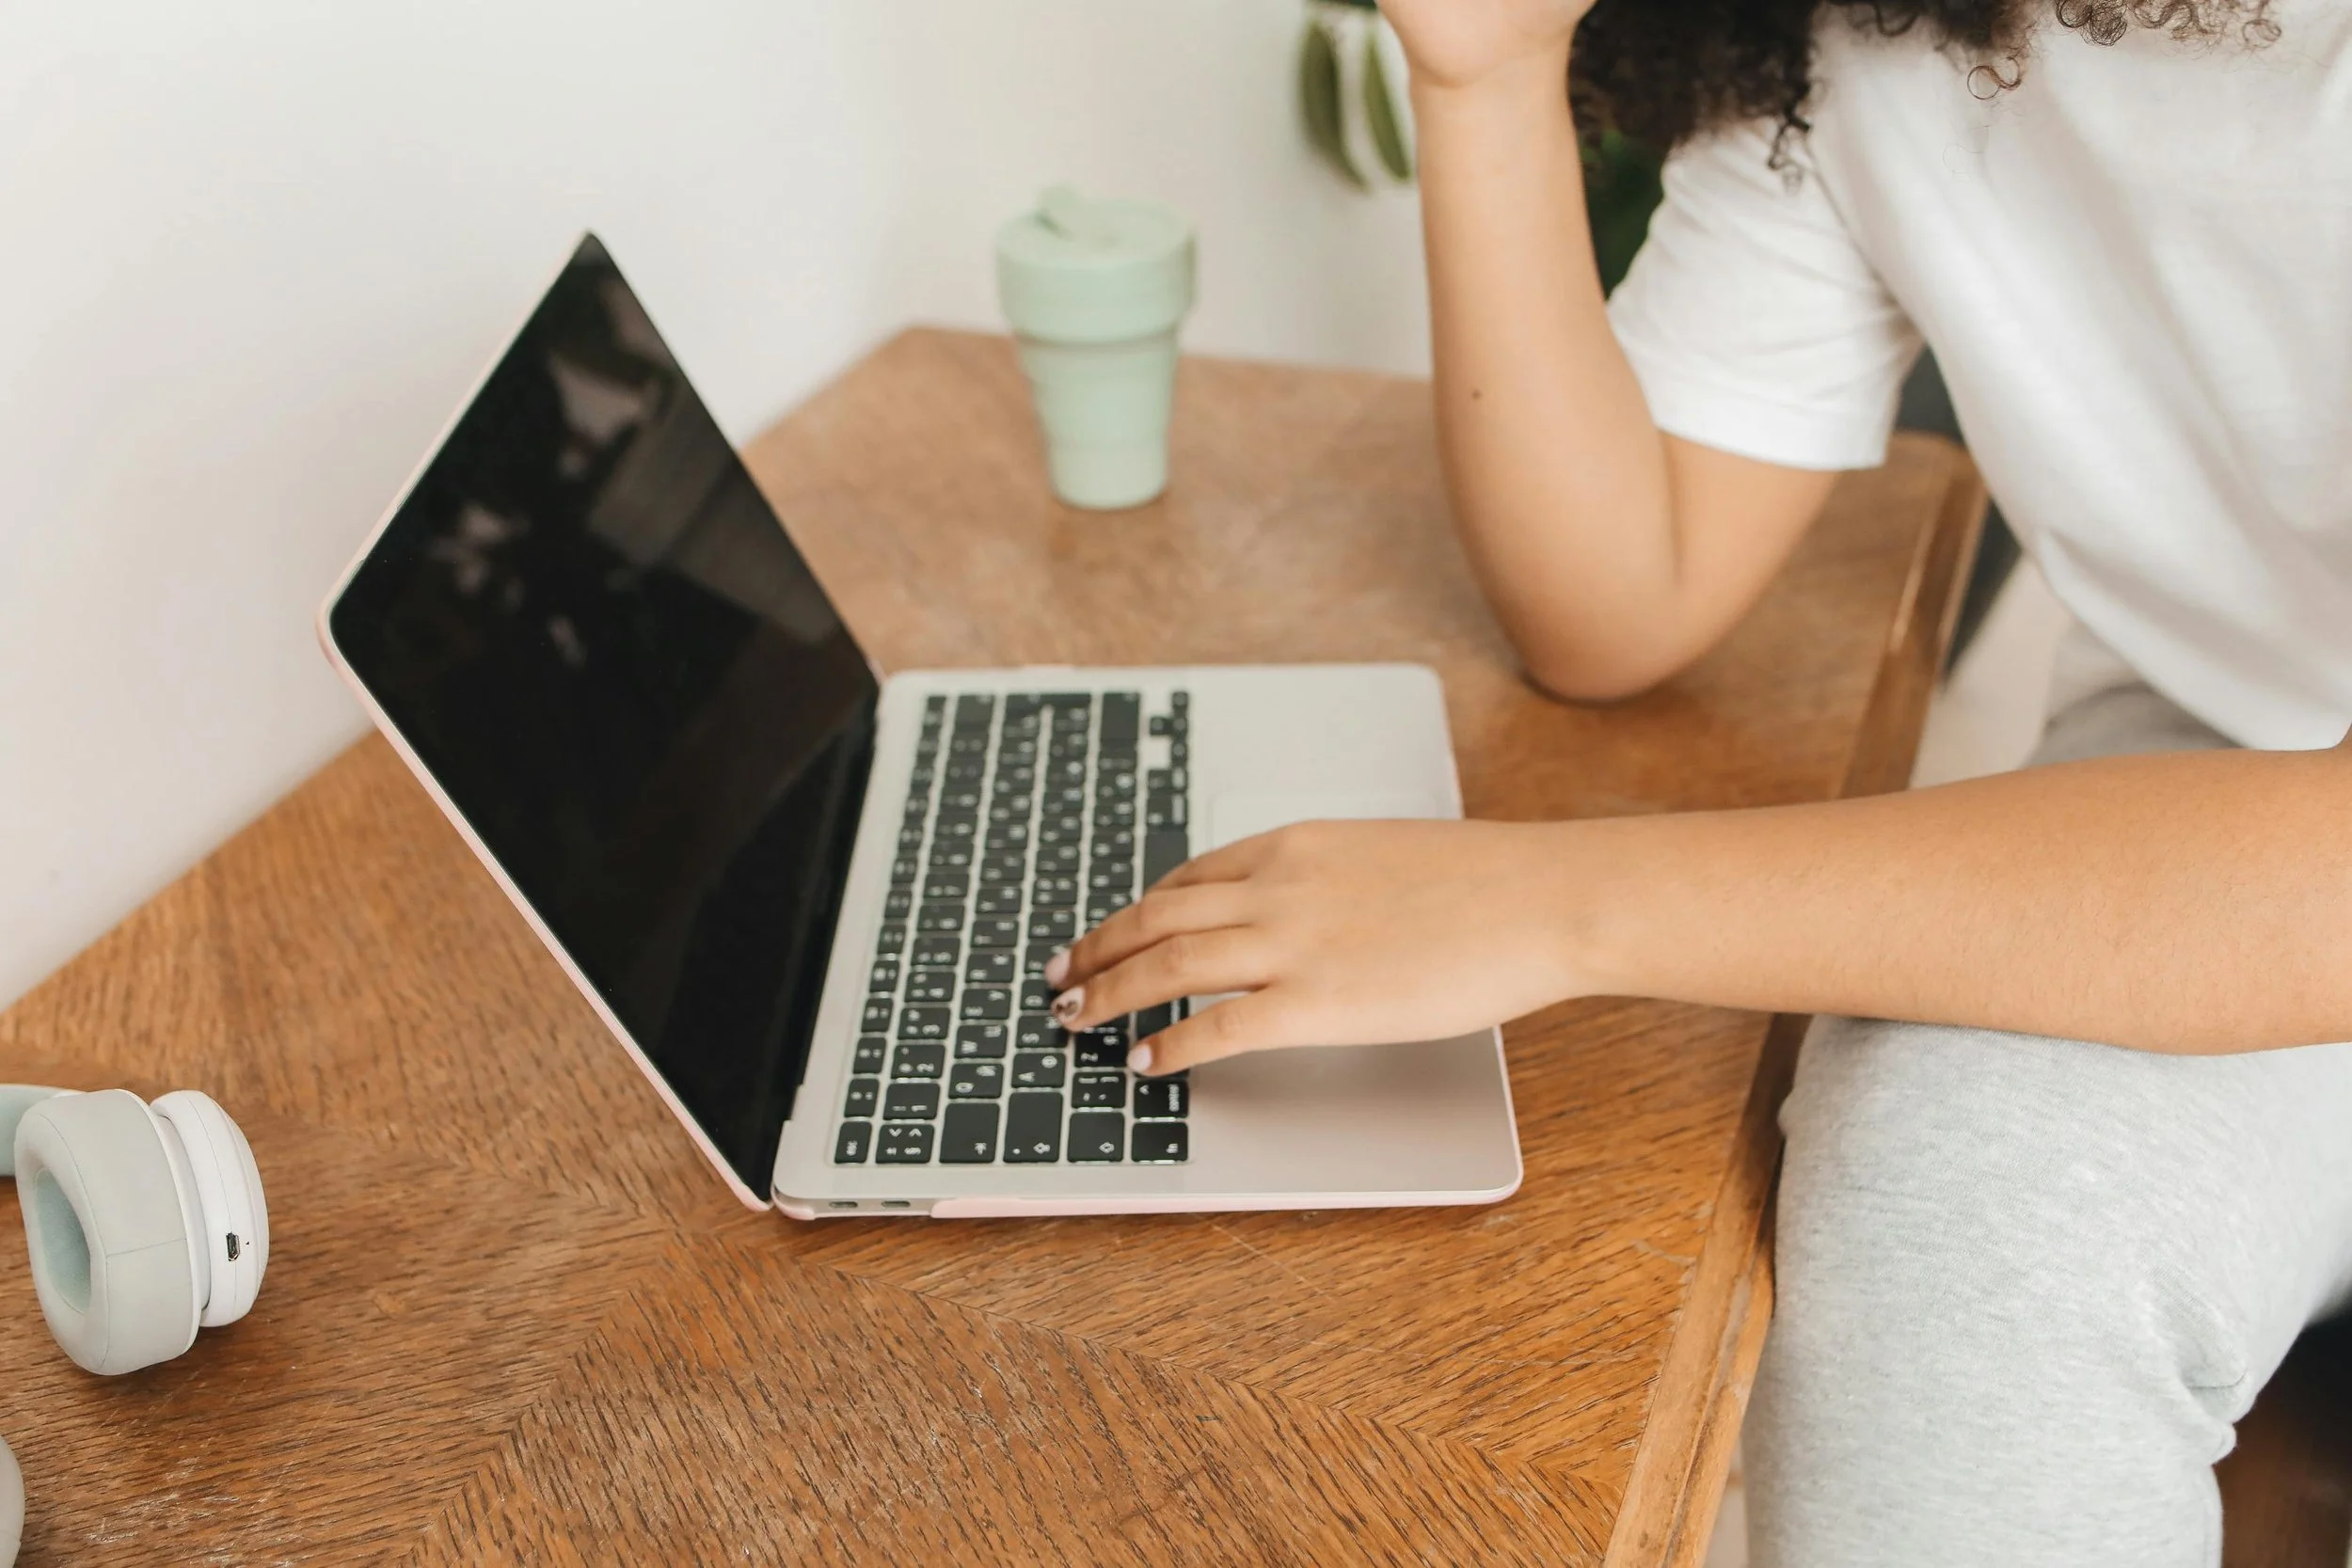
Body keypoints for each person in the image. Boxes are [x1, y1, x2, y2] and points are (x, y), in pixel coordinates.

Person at [1045, 1, 2352, 1562]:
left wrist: (1551, 902)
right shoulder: (1876, 40)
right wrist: (1488, 72)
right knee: (1957, 1247)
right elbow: (1623, 591)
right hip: (2218, 746)